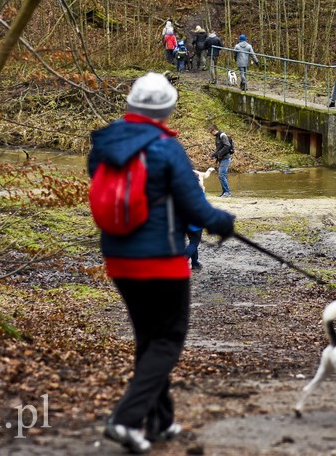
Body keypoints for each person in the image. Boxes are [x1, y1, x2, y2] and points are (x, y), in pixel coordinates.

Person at [88, 73, 235, 453]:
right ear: (166, 109)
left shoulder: (106, 143)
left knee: (149, 338)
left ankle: (160, 420)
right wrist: (222, 222)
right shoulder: (167, 148)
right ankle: (125, 420)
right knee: (168, 338)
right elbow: (194, 206)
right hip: (161, 260)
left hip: (119, 259)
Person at [209, 124, 233, 197]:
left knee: (221, 175)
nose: (211, 134)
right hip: (222, 159)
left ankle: (227, 192)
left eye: (211, 132)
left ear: (214, 130)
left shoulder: (222, 135)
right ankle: (224, 192)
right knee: (223, 175)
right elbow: (220, 149)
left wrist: (219, 154)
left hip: (226, 158)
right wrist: (214, 155)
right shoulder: (217, 137)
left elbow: (227, 146)